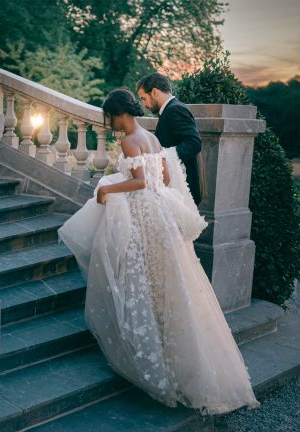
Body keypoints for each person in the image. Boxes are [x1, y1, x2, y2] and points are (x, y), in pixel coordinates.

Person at [58, 88, 259, 415]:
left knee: (147, 279)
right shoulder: (150, 136)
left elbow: (138, 182)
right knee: (173, 281)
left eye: (110, 117)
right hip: (160, 211)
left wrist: (109, 187)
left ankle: (156, 353)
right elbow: (163, 177)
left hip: (143, 214)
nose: (110, 124)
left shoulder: (127, 141)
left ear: (119, 113)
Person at [136, 73, 203, 205]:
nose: (143, 104)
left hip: (182, 190)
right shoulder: (169, 109)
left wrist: (162, 157)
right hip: (173, 187)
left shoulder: (175, 109)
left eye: (143, 98)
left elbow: (194, 143)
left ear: (154, 92)